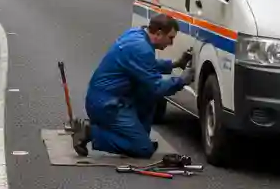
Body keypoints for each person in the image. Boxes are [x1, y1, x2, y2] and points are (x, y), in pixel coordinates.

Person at [71, 13, 194, 159]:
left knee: (146, 94)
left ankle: (136, 136)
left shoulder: (136, 34)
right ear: (159, 33)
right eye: (170, 38)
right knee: (143, 149)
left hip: (105, 98)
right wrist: (181, 81)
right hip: (107, 106)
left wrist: (174, 64)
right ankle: (90, 133)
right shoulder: (142, 49)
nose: (171, 43)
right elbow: (157, 87)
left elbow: (145, 65)